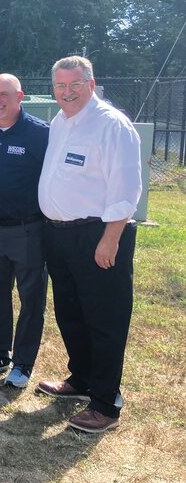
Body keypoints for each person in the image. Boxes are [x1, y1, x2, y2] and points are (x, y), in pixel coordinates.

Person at [36, 56, 141, 434]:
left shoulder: (111, 125)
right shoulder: (60, 122)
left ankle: (105, 405)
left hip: (99, 235)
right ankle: (80, 379)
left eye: (75, 85)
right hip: (59, 234)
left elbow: (127, 189)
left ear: (91, 84)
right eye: (60, 86)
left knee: (105, 319)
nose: (67, 92)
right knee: (71, 312)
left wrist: (110, 239)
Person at [0, 74, 49, 388]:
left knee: (31, 299)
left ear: (20, 97)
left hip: (29, 230)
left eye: (4, 95)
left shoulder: (39, 134)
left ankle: (23, 364)